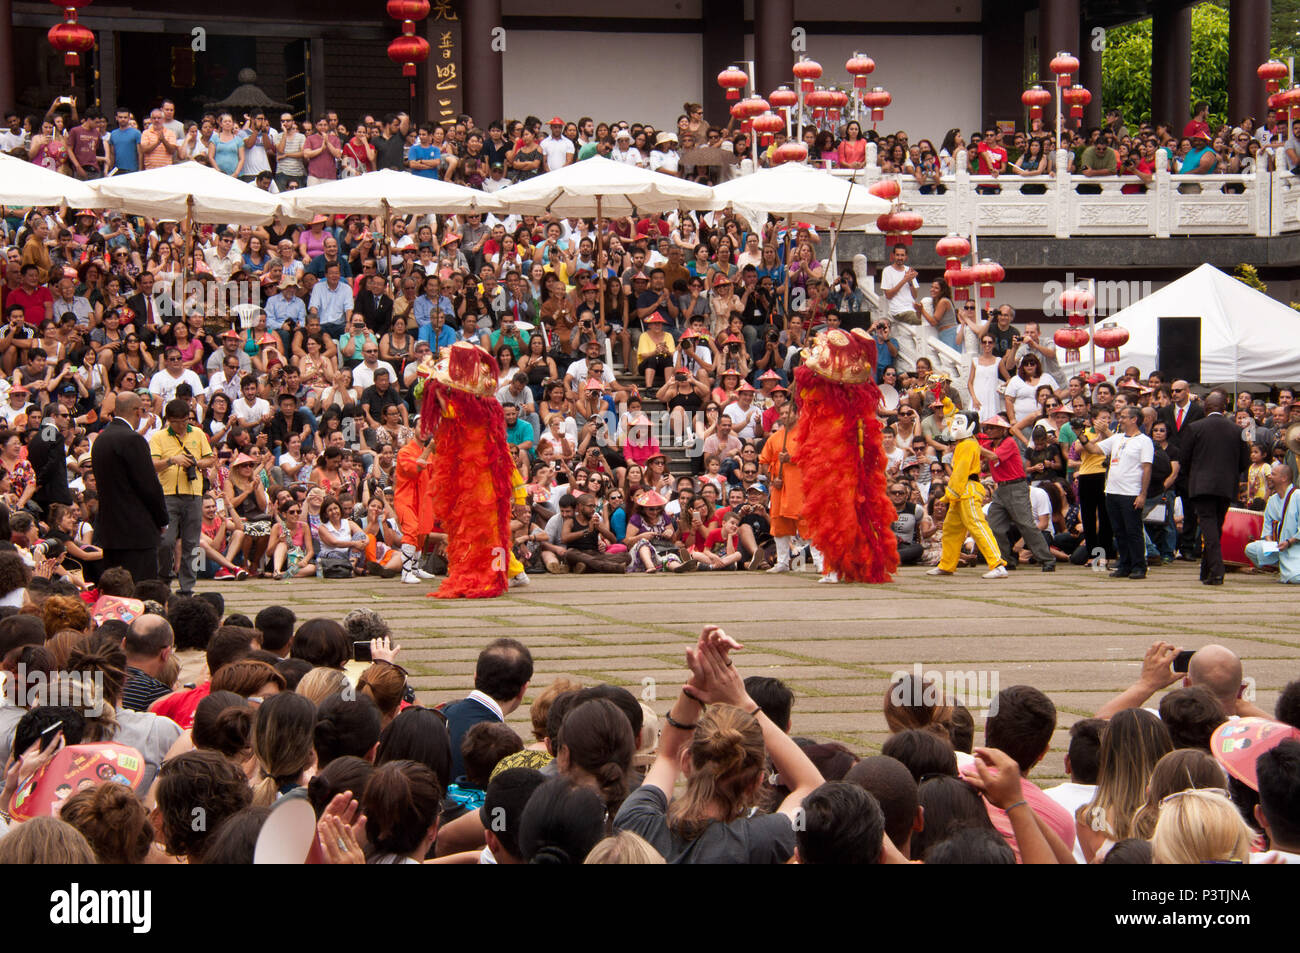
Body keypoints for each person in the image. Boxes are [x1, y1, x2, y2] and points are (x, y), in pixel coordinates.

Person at [90, 391, 168, 584]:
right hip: (137, 531)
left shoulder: (101, 440)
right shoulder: (133, 439)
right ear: (136, 410)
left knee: (115, 590)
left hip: (110, 530)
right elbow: (148, 485)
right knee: (142, 588)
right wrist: (162, 519)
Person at [928, 411, 1007, 578]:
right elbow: (950, 420)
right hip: (960, 491)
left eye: (959, 422)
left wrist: (950, 493)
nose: (954, 425)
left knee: (977, 526)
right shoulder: (966, 442)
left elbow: (961, 472)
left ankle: (997, 564)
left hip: (967, 490)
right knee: (950, 529)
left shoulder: (966, 444)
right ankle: (947, 564)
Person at [1183, 392, 1251, 585]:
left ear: (1206, 408)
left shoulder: (1195, 427)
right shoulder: (1236, 430)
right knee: (1215, 527)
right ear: (1224, 409)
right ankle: (1207, 568)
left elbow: (1184, 459)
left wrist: (1194, 475)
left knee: (1208, 527)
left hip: (1201, 484)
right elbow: (1244, 462)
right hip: (1225, 485)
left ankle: (1216, 570)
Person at [150, 398, 215, 596]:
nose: (182, 425)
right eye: (177, 421)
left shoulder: (197, 433)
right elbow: (152, 465)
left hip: (194, 494)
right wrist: (172, 460)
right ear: (169, 420)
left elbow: (211, 458)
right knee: (166, 541)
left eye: (186, 420)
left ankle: (187, 586)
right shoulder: (158, 437)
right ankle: (164, 578)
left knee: (192, 542)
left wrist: (196, 463)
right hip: (168, 494)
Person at [1080, 406, 1154, 580]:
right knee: (1119, 531)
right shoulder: (1117, 438)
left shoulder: (1144, 441)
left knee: (1133, 531)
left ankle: (1138, 565)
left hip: (1131, 492)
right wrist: (1081, 436)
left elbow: (1147, 468)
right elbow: (1094, 450)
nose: (1119, 420)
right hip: (1112, 491)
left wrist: (1142, 494)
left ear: (1134, 419)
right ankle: (1125, 564)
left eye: (1123, 417)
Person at [980, 415, 1056, 571]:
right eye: (987, 427)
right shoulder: (989, 444)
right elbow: (981, 453)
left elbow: (993, 456)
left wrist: (971, 445)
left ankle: (1047, 559)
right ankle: (1006, 560)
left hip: (1016, 487)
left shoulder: (1009, 442)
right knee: (994, 525)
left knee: (1026, 524)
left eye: (992, 427)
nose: (988, 430)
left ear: (1003, 430)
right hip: (1001, 488)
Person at [1245, 463, 1300, 583]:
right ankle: (1280, 565)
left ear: (1283, 478)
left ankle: (1290, 567)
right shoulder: (1272, 500)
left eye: (1273, 474)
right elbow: (1267, 527)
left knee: (1295, 578)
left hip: (1294, 546)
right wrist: (1270, 543)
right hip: (1278, 547)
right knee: (1251, 549)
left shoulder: (1297, 496)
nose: (1269, 476)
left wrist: (1289, 542)